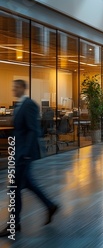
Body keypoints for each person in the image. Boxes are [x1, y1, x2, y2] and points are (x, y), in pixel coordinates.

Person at [0, 80, 59, 238]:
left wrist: (25, 153)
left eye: (16, 87)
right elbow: (20, 129)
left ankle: (13, 225)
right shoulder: (19, 106)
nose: (13, 89)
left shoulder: (29, 105)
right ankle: (49, 205)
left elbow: (34, 130)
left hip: (23, 154)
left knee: (14, 188)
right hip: (18, 152)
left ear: (23, 88)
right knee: (25, 185)